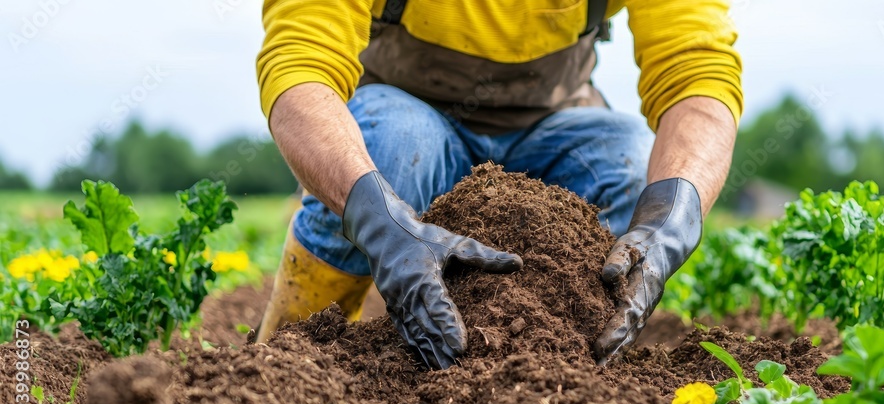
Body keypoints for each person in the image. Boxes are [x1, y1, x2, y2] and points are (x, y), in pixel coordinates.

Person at [255, 0, 743, 369]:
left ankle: (566, 367)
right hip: (407, 115)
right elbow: (301, 63)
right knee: (391, 145)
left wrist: (670, 221)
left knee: (632, 166)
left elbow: (696, 74)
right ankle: (294, 361)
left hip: (555, 122)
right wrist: (379, 222)